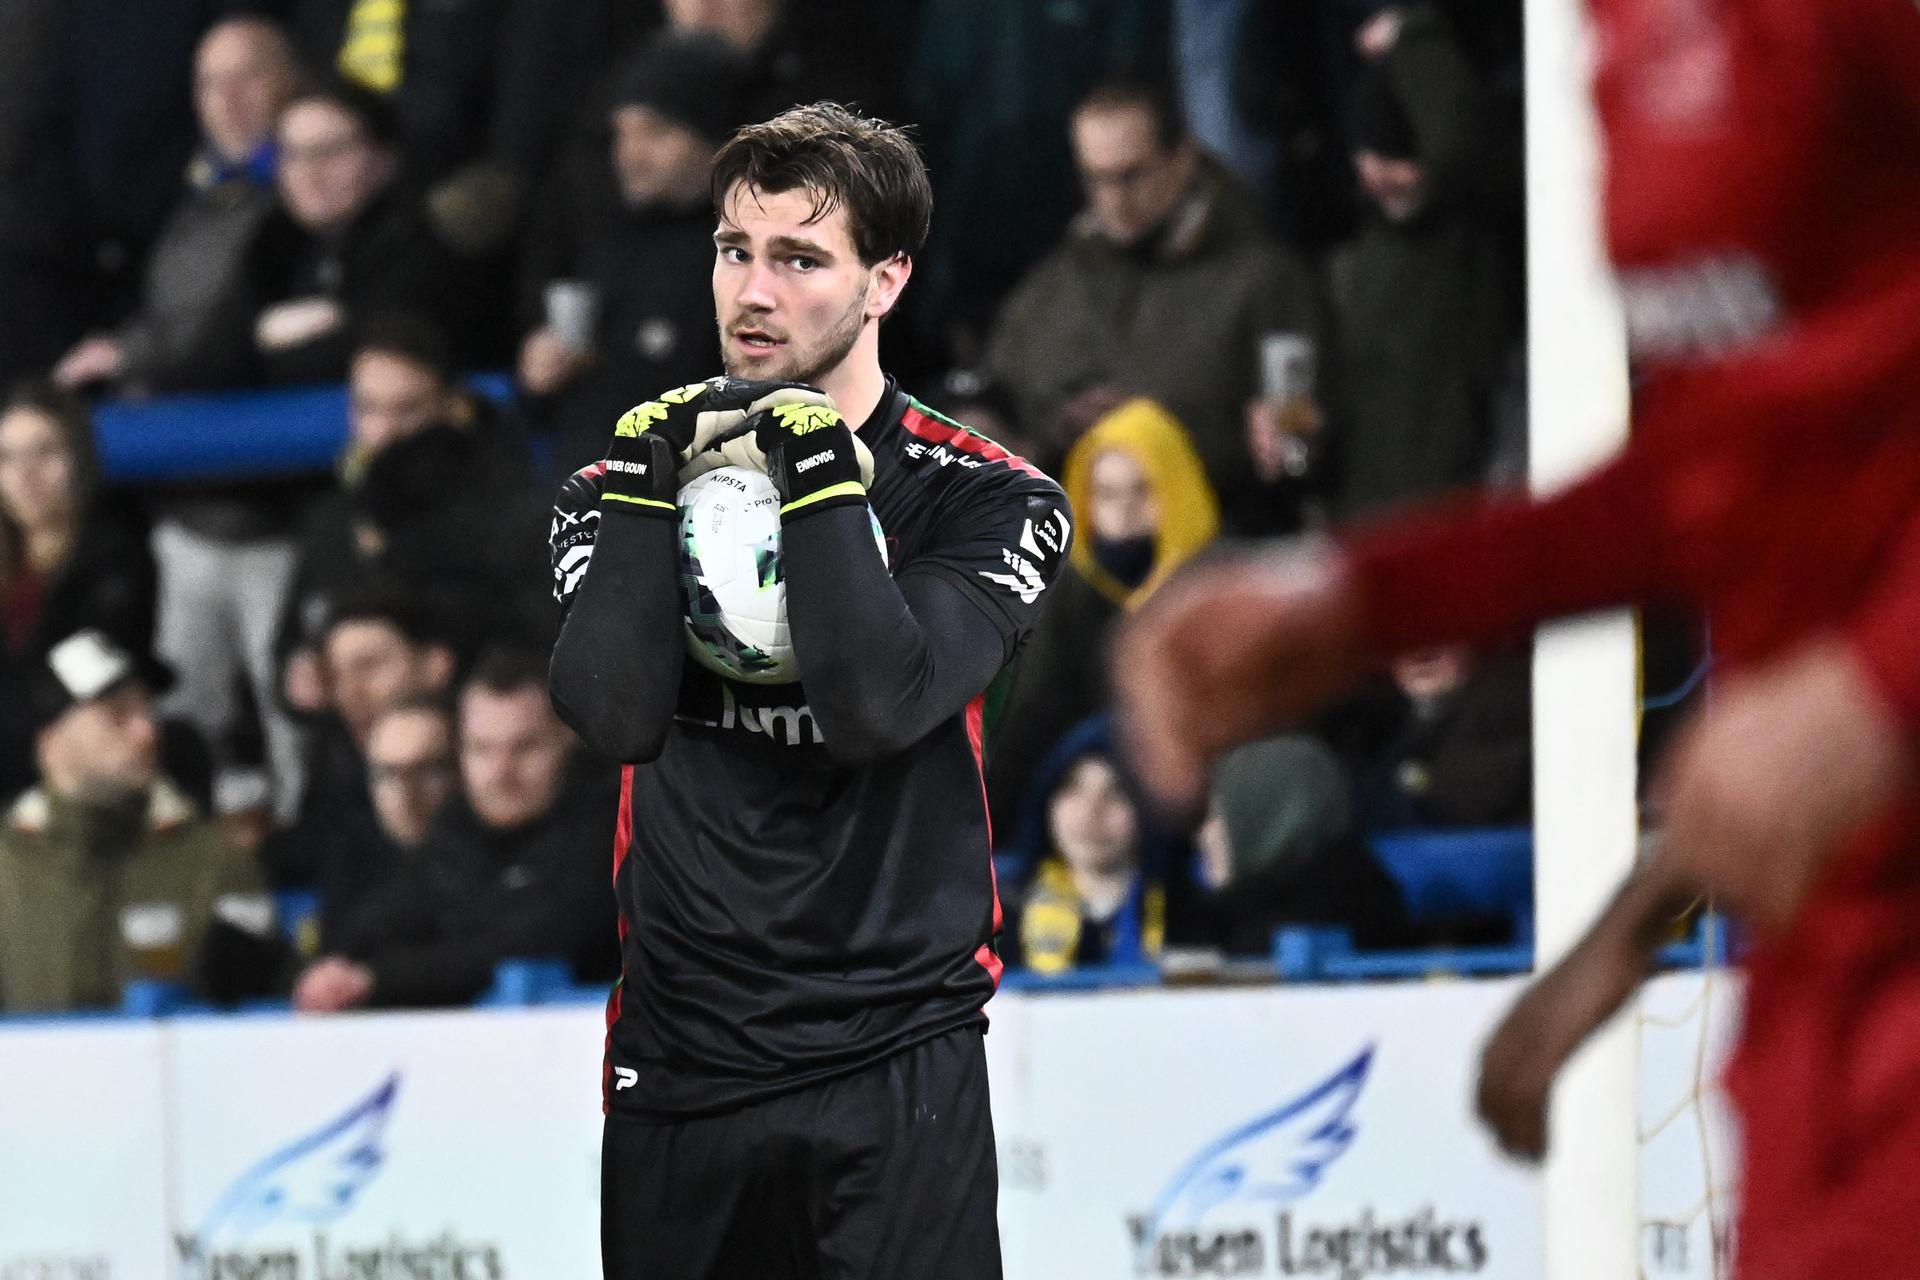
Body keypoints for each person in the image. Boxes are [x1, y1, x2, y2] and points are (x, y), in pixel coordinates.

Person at [1112, 2, 1920, 1272]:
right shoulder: (1626, 47)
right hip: (1835, 992)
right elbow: (1724, 477)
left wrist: (1881, 684)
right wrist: (1356, 598)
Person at [550, 102, 1070, 1278]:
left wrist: (821, 474)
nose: (753, 291)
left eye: (798, 259)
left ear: (884, 281)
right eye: (736, 250)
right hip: (683, 1058)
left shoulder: (988, 499)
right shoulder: (618, 482)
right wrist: (646, 490)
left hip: (896, 1053)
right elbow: (616, 714)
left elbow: (879, 705)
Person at [987, 75, 1323, 532]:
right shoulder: (1052, 288)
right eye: (1095, 178)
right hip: (1072, 573)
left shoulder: (1266, 281)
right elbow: (999, 404)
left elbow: (1299, 452)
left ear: (1182, 158)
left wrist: (1155, 437)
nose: (1113, 199)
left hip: (1219, 558)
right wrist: (1055, 425)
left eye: (1131, 175)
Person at [292, 649, 616, 1011]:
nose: (501, 771)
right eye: (482, 749)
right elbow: (389, 917)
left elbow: (541, 939)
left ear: (566, 740)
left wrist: (379, 979)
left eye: (525, 748)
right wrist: (340, 968)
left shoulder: (607, 831)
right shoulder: (454, 830)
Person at [0, 630, 283, 1012]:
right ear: (50, 743)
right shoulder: (8, 866)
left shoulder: (216, 861)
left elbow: (267, 1014)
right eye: (117, 715)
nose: (147, 731)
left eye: (148, 711)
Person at [516, 29, 749, 476]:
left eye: (656, 133)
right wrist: (541, 379)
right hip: (588, 501)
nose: (630, 154)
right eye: (621, 135)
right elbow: (552, 412)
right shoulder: (605, 241)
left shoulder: (747, 255)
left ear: (715, 139)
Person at [985, 397, 1218, 837]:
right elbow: (1033, 718)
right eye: (1106, 494)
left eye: (1143, 490)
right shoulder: (1063, 592)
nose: (1124, 512)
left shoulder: (1217, 587)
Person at [51, 17, 302, 395]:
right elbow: (161, 313)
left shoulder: (307, 195)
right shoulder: (187, 195)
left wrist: (129, 355)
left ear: (288, 80)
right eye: (211, 84)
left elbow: (230, 326)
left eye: (247, 77)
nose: (228, 99)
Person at [0, 383, 156, 805]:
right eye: (7, 458)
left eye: (44, 453)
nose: (25, 474)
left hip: (79, 748)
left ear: (78, 458)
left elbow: (87, 674)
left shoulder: (118, 555)